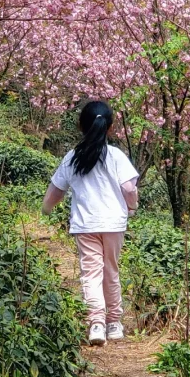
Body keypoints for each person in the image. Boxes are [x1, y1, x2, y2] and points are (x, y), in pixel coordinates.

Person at [42, 99, 138, 346]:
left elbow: (56, 190)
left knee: (91, 274)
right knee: (111, 271)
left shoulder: (73, 157)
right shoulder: (116, 155)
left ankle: (96, 323)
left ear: (80, 126)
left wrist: (45, 210)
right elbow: (129, 187)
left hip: (86, 224)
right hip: (114, 224)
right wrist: (132, 205)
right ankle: (114, 324)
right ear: (110, 127)